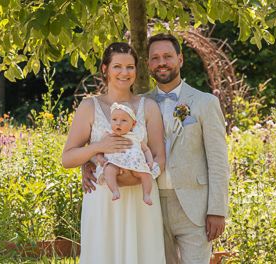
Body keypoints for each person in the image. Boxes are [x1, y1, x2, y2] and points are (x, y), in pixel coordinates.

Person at [82, 33, 230, 264]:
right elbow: (119, 141)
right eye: (155, 58)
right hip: (151, 206)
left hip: (194, 209)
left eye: (168, 56)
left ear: (180, 60)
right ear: (148, 64)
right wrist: (88, 163)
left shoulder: (205, 102)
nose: (161, 62)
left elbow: (219, 161)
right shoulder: (138, 105)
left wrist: (217, 210)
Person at [62, 42, 166, 264]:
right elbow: (68, 158)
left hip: (142, 200)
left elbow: (159, 157)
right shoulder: (90, 107)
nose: (124, 72)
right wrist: (98, 148)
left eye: (130, 67)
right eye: (117, 66)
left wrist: (139, 176)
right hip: (104, 201)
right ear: (104, 69)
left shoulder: (148, 107)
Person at [95, 101, 156, 205]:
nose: (118, 123)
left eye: (123, 120)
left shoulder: (137, 136)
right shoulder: (108, 135)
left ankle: (146, 194)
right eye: (114, 119)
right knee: (109, 170)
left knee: (146, 174)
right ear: (110, 120)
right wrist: (101, 159)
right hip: (115, 163)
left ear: (133, 124)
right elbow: (99, 149)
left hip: (135, 165)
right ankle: (114, 190)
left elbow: (146, 150)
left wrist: (149, 161)